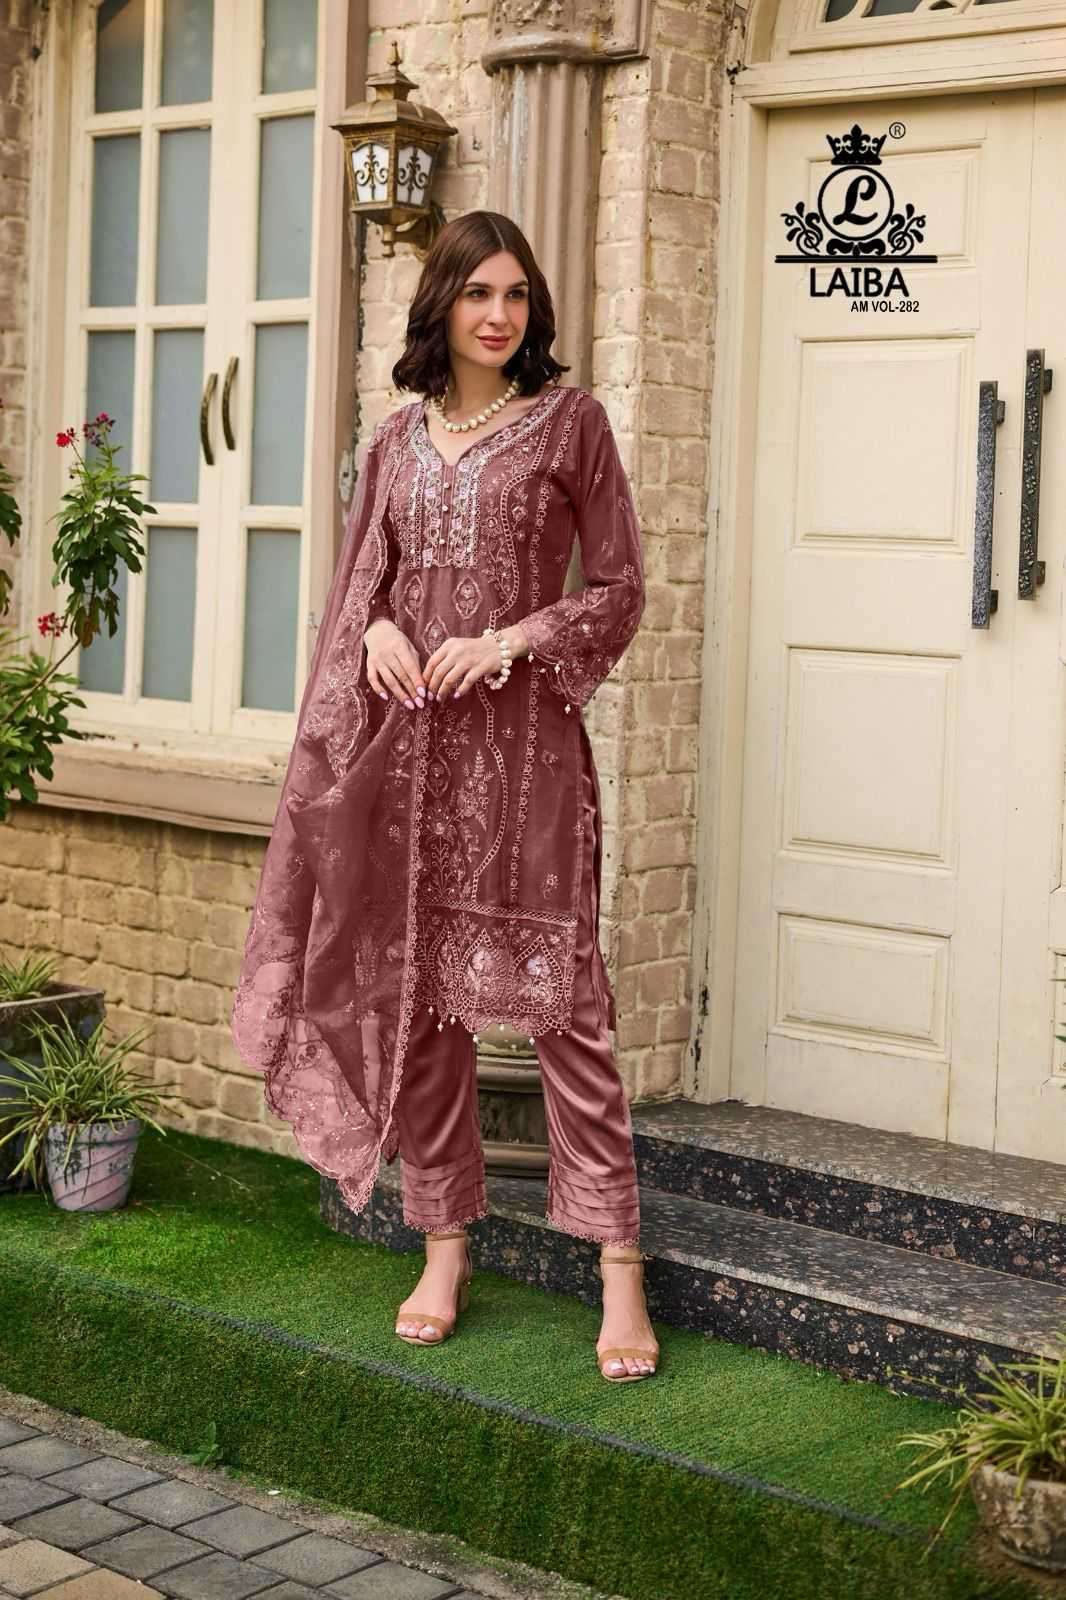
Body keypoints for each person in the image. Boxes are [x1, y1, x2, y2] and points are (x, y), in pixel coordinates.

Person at [232, 209, 657, 1382]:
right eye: (478, 293)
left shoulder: (570, 424)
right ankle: (444, 1245)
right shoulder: (394, 443)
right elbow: (361, 587)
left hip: (526, 766)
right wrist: (374, 630)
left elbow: (619, 588)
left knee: (566, 1009)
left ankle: (619, 1263)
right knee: (424, 1013)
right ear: (442, 307)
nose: (498, 314)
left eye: (516, 295)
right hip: (410, 765)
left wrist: (514, 637)